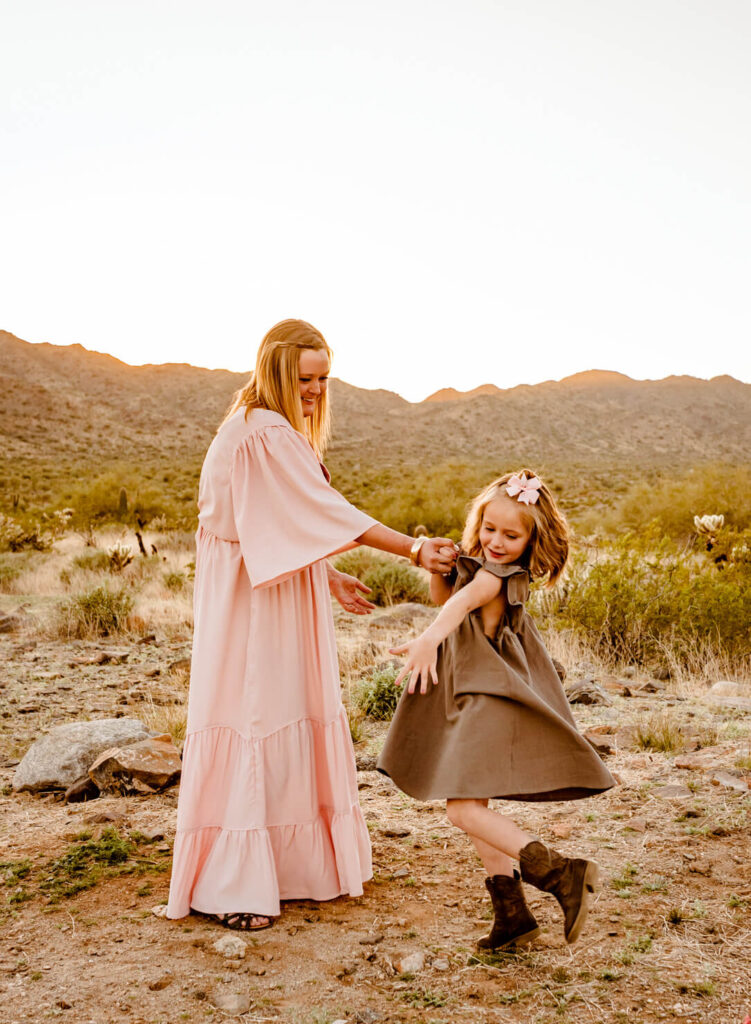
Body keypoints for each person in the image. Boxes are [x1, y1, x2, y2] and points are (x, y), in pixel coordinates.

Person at [166, 319, 456, 930]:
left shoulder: (249, 426)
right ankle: (237, 884)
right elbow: (325, 511)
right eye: (305, 378)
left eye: (324, 378)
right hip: (255, 603)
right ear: (274, 370)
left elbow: (271, 524)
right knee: (256, 714)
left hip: (261, 587)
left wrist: (323, 575)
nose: (316, 391)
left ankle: (277, 865)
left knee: (270, 712)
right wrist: (413, 549)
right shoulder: (264, 432)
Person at [377, 470, 615, 949]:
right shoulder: (479, 564)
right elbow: (445, 595)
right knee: (475, 803)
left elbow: (461, 604)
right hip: (470, 690)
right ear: (478, 523)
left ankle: (560, 874)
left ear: (531, 539)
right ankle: (513, 917)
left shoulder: (497, 574)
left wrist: (427, 640)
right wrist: (435, 569)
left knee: (462, 808)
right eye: (489, 530)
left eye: (511, 535)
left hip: (485, 693)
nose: (497, 542)